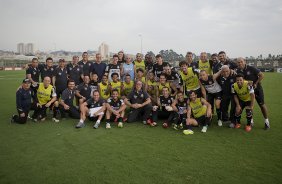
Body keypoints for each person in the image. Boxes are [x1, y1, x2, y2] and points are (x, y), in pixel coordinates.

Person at [236, 57, 270, 129]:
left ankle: (266, 121)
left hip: (257, 89)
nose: (240, 63)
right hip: (247, 91)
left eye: (241, 62)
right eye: (238, 62)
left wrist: (256, 83)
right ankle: (251, 121)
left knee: (262, 105)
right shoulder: (238, 70)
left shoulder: (251, 68)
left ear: (244, 61)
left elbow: (261, 75)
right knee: (250, 106)